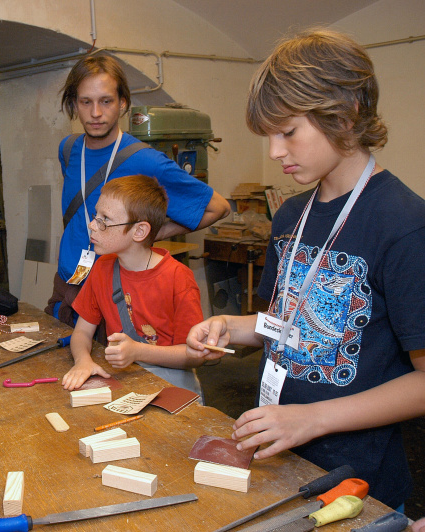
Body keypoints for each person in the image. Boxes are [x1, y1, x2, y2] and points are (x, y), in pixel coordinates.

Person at [185, 28, 425, 510]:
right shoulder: (291, 215)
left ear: (346, 114)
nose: (275, 151)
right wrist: (234, 326)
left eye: (288, 132)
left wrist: (313, 418)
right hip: (281, 461)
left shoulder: (403, 225)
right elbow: (288, 324)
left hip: (360, 484)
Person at [46, 54, 230, 326]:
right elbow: (80, 212)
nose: (96, 113)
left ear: (122, 103)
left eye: (106, 101)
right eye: (86, 102)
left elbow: (219, 207)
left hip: (115, 294)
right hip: (68, 285)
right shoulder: (69, 149)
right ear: (74, 104)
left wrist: (150, 233)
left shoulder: (146, 161)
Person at [62, 175, 205, 394]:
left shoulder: (178, 278)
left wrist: (137, 351)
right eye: (95, 215)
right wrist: (83, 361)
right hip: (128, 385)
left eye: (105, 220)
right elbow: (82, 332)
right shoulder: (102, 269)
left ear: (139, 231)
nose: (92, 225)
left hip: (174, 390)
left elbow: (193, 355)